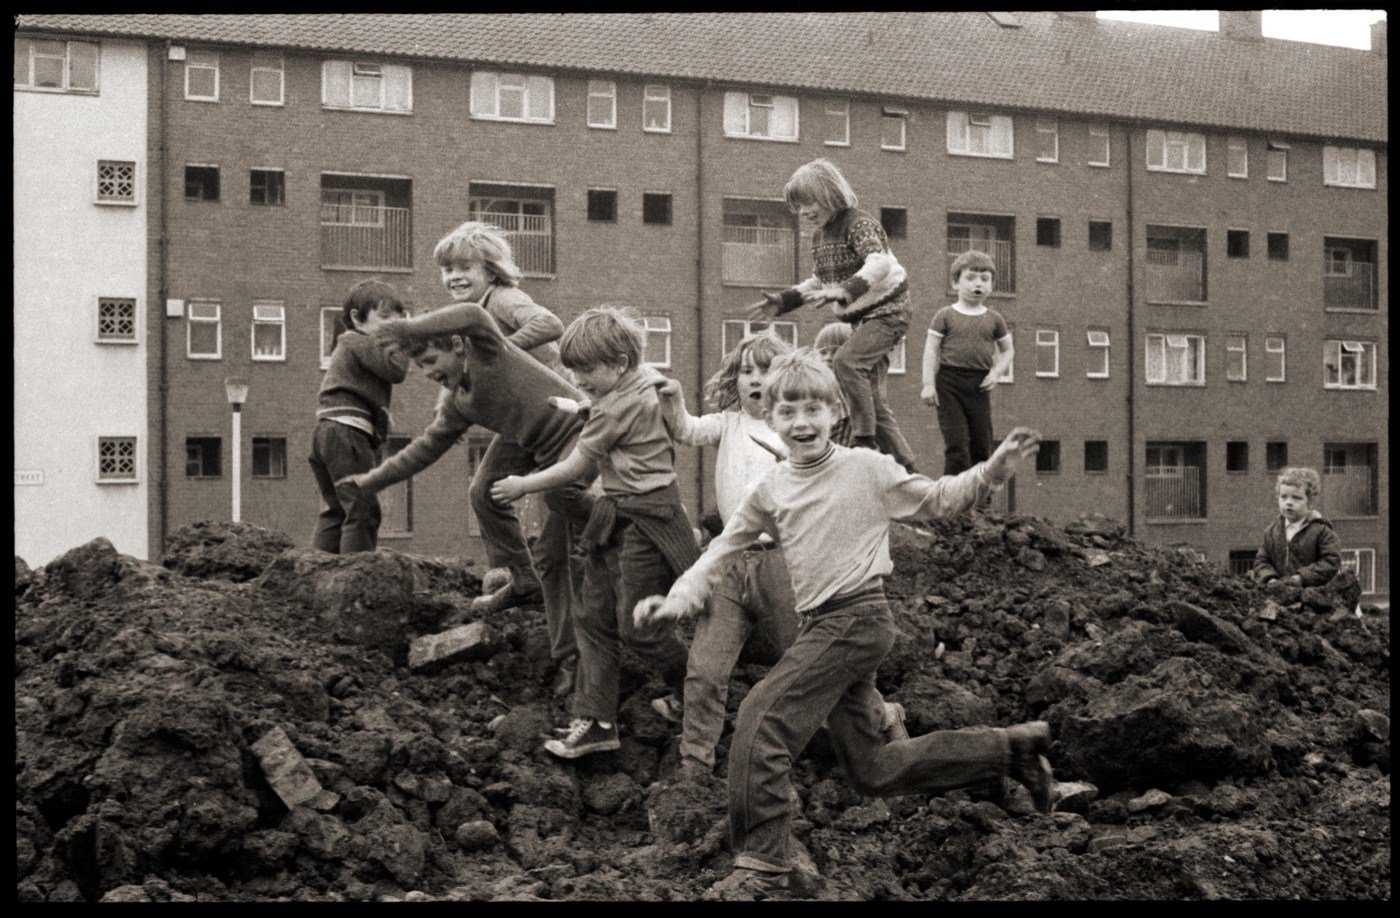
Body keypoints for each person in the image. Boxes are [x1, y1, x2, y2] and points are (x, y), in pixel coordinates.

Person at [635, 349, 1054, 900]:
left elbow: (938, 499)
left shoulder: (866, 469)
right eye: (788, 412)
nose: (801, 422)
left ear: (836, 412)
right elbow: (722, 550)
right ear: (771, 418)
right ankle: (1011, 749)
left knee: (761, 717)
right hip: (820, 625)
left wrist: (991, 471)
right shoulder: (772, 487)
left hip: (858, 616)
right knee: (873, 769)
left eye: (813, 409)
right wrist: (678, 599)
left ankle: (764, 864)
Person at [658, 331, 907, 779]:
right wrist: (673, 398)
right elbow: (685, 430)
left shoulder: (795, 433)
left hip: (789, 566)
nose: (754, 379)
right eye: (746, 371)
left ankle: (881, 718)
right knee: (705, 668)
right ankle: (694, 765)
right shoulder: (728, 423)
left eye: (765, 370)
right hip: (732, 561)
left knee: (817, 668)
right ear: (736, 379)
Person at [336, 301, 592, 699]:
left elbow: (473, 313)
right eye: (419, 366)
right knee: (483, 492)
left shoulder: (489, 352)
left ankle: (570, 656)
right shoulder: (458, 401)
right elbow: (423, 449)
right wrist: (370, 482)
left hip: (578, 433)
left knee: (551, 550)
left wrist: (409, 327)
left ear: (457, 346)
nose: (428, 372)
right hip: (531, 441)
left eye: (430, 359)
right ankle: (524, 581)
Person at [491, 306, 695, 760]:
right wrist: (581, 405)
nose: (578, 378)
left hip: (646, 522)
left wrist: (523, 484)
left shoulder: (617, 407)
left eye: (586, 370)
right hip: (618, 512)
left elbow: (575, 467)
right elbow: (619, 413)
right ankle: (598, 721)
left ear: (619, 363)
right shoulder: (645, 381)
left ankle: (697, 689)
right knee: (592, 616)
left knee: (639, 627)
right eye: (573, 369)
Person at [434, 221, 570, 614]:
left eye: (465, 268)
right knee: (484, 491)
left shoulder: (504, 298)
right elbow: (462, 369)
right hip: (521, 421)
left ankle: (577, 584)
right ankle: (524, 580)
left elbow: (549, 324)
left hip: (557, 416)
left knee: (562, 499)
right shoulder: (465, 315)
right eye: (448, 270)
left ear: (491, 272)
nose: (455, 277)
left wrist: (502, 348)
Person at [752, 158, 918, 473]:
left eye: (809, 203)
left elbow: (879, 263)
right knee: (873, 400)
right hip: (863, 319)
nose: (804, 212)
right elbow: (820, 281)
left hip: (889, 310)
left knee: (846, 362)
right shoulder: (820, 237)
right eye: (798, 207)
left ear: (830, 195)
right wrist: (785, 301)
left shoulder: (858, 224)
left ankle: (864, 441)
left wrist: (845, 290)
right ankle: (909, 469)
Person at [308, 279, 409, 554]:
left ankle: (316, 567)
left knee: (338, 510)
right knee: (362, 508)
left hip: (327, 433)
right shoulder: (357, 341)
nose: (394, 324)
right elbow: (397, 370)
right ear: (356, 318)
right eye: (385, 318)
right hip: (346, 433)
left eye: (399, 318)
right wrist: (405, 337)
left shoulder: (353, 346)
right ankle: (358, 572)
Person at [922, 249, 1014, 477]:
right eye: (971, 278)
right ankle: (952, 494)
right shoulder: (945, 315)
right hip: (949, 384)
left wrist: (996, 373)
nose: (978, 284)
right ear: (955, 283)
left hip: (979, 385)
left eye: (985, 279)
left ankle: (980, 496)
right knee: (957, 445)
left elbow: (1008, 350)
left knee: (982, 445)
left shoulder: (995, 319)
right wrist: (928, 384)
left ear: (991, 285)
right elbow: (931, 349)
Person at [1251, 466, 1342, 589]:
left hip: (1312, 594)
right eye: (1283, 497)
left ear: (1310, 502)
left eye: (1296, 498)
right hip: (1278, 594)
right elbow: (1261, 561)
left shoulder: (1322, 531)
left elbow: (1331, 561)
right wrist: (1269, 578)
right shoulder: (1271, 532)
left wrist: (1301, 578)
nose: (1288, 502)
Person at [813, 321, 855, 448]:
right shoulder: (813, 388)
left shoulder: (854, 389)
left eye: (836, 352)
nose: (828, 357)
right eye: (823, 353)